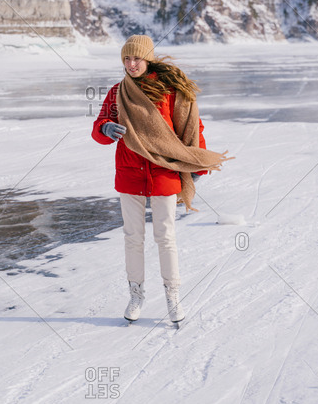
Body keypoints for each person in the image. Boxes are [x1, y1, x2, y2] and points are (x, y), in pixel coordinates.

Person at [91, 35, 232, 324]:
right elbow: (98, 126)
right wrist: (105, 128)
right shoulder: (118, 92)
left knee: (165, 238)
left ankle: (172, 294)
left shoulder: (169, 92)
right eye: (126, 59)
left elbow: (191, 127)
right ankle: (136, 294)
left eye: (137, 59)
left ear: (148, 59)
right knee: (133, 238)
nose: (131, 64)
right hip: (130, 175)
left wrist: (196, 162)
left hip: (163, 173)